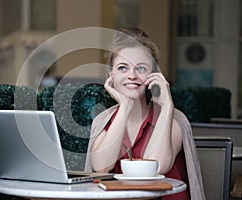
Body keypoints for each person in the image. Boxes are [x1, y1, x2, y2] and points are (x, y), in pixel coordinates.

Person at [85, 27, 206, 200]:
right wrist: (125, 106)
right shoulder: (103, 121)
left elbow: (156, 167)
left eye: (141, 68)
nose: (132, 75)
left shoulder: (174, 118)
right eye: (123, 68)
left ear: (153, 74)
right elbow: (102, 167)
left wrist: (167, 106)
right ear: (111, 74)